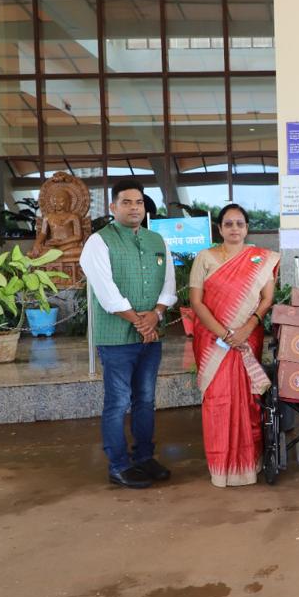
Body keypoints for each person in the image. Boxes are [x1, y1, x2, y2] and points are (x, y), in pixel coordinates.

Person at [79, 178, 177, 489]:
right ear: (113, 207)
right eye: (126, 202)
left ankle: (144, 458)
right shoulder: (99, 241)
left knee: (146, 400)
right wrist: (142, 322)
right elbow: (107, 293)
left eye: (138, 202)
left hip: (150, 336)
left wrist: (157, 314)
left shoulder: (157, 240)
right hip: (117, 339)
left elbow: (169, 286)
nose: (134, 208)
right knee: (118, 402)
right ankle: (119, 465)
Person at [189, 203, 279, 487]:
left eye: (240, 224)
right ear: (219, 229)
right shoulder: (205, 258)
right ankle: (221, 468)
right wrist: (224, 334)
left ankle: (248, 466)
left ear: (247, 228)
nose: (234, 229)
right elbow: (196, 302)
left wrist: (247, 327)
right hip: (214, 341)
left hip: (247, 338)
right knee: (217, 401)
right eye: (228, 224)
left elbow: (266, 300)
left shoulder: (260, 259)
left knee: (248, 401)